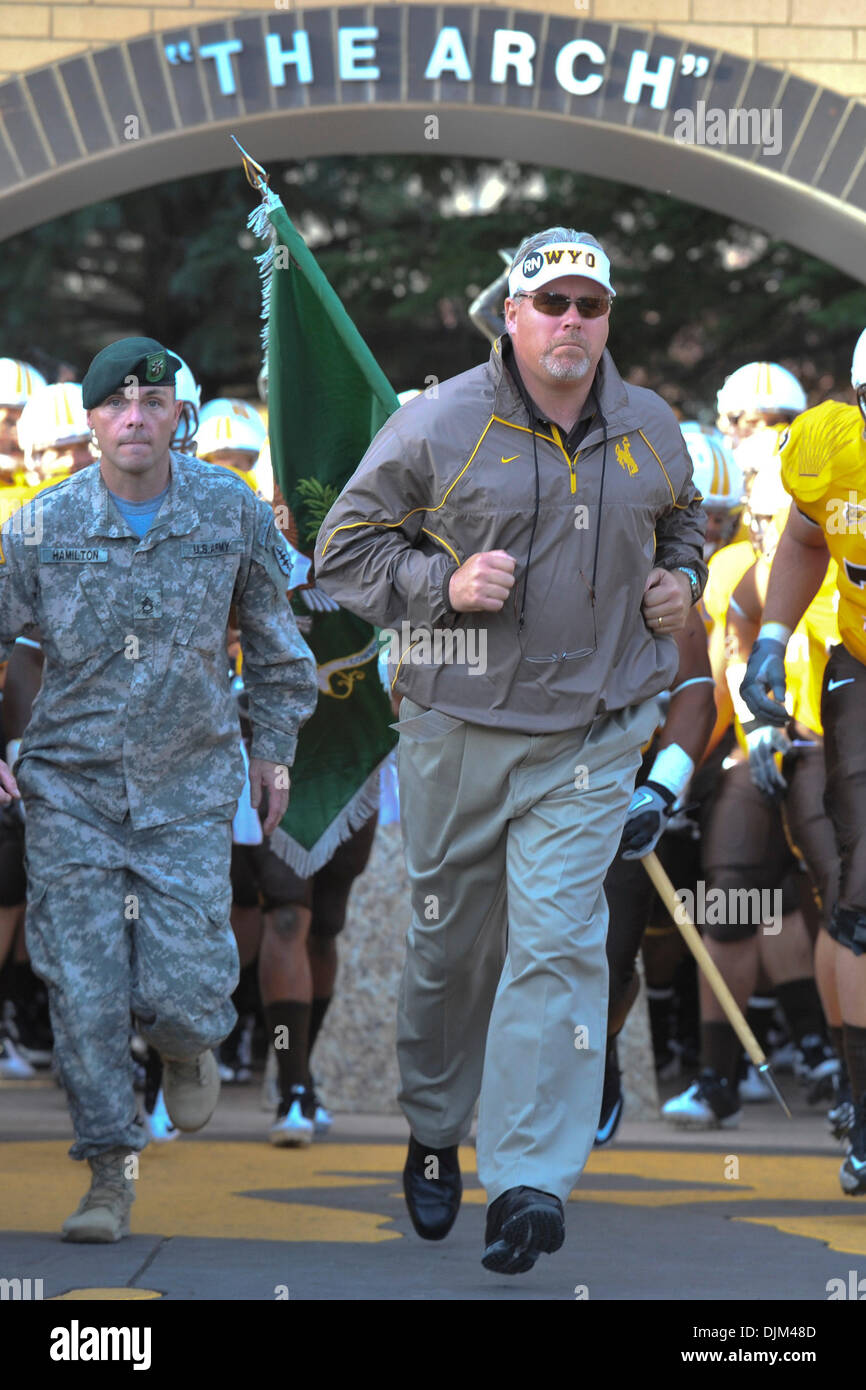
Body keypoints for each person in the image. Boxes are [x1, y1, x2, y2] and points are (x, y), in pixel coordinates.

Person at [314, 227, 707, 1274]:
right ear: (511, 315)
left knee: (557, 944)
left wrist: (683, 584)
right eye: (552, 303)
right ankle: (435, 1126)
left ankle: (530, 1175)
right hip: (456, 730)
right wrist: (436, 587)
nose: (571, 320)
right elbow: (343, 550)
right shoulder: (437, 423)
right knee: (450, 951)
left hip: (590, 732)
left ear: (605, 319)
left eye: (589, 304)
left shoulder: (651, 427)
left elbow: (682, 527)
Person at [0, 335, 318, 1242]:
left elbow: (277, 640)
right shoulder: (39, 526)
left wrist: (274, 747)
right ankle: (108, 1174)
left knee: (186, 987)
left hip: (187, 785)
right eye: (115, 404)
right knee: (85, 991)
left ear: (178, 416)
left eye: (152, 401)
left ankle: (185, 1042)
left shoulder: (230, 512)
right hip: (71, 791)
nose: (133, 417)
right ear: (92, 420)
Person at [740, 327, 866, 1196]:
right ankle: (864, 1108)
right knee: (859, 897)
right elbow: (808, 538)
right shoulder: (833, 445)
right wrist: (775, 635)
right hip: (862, 667)